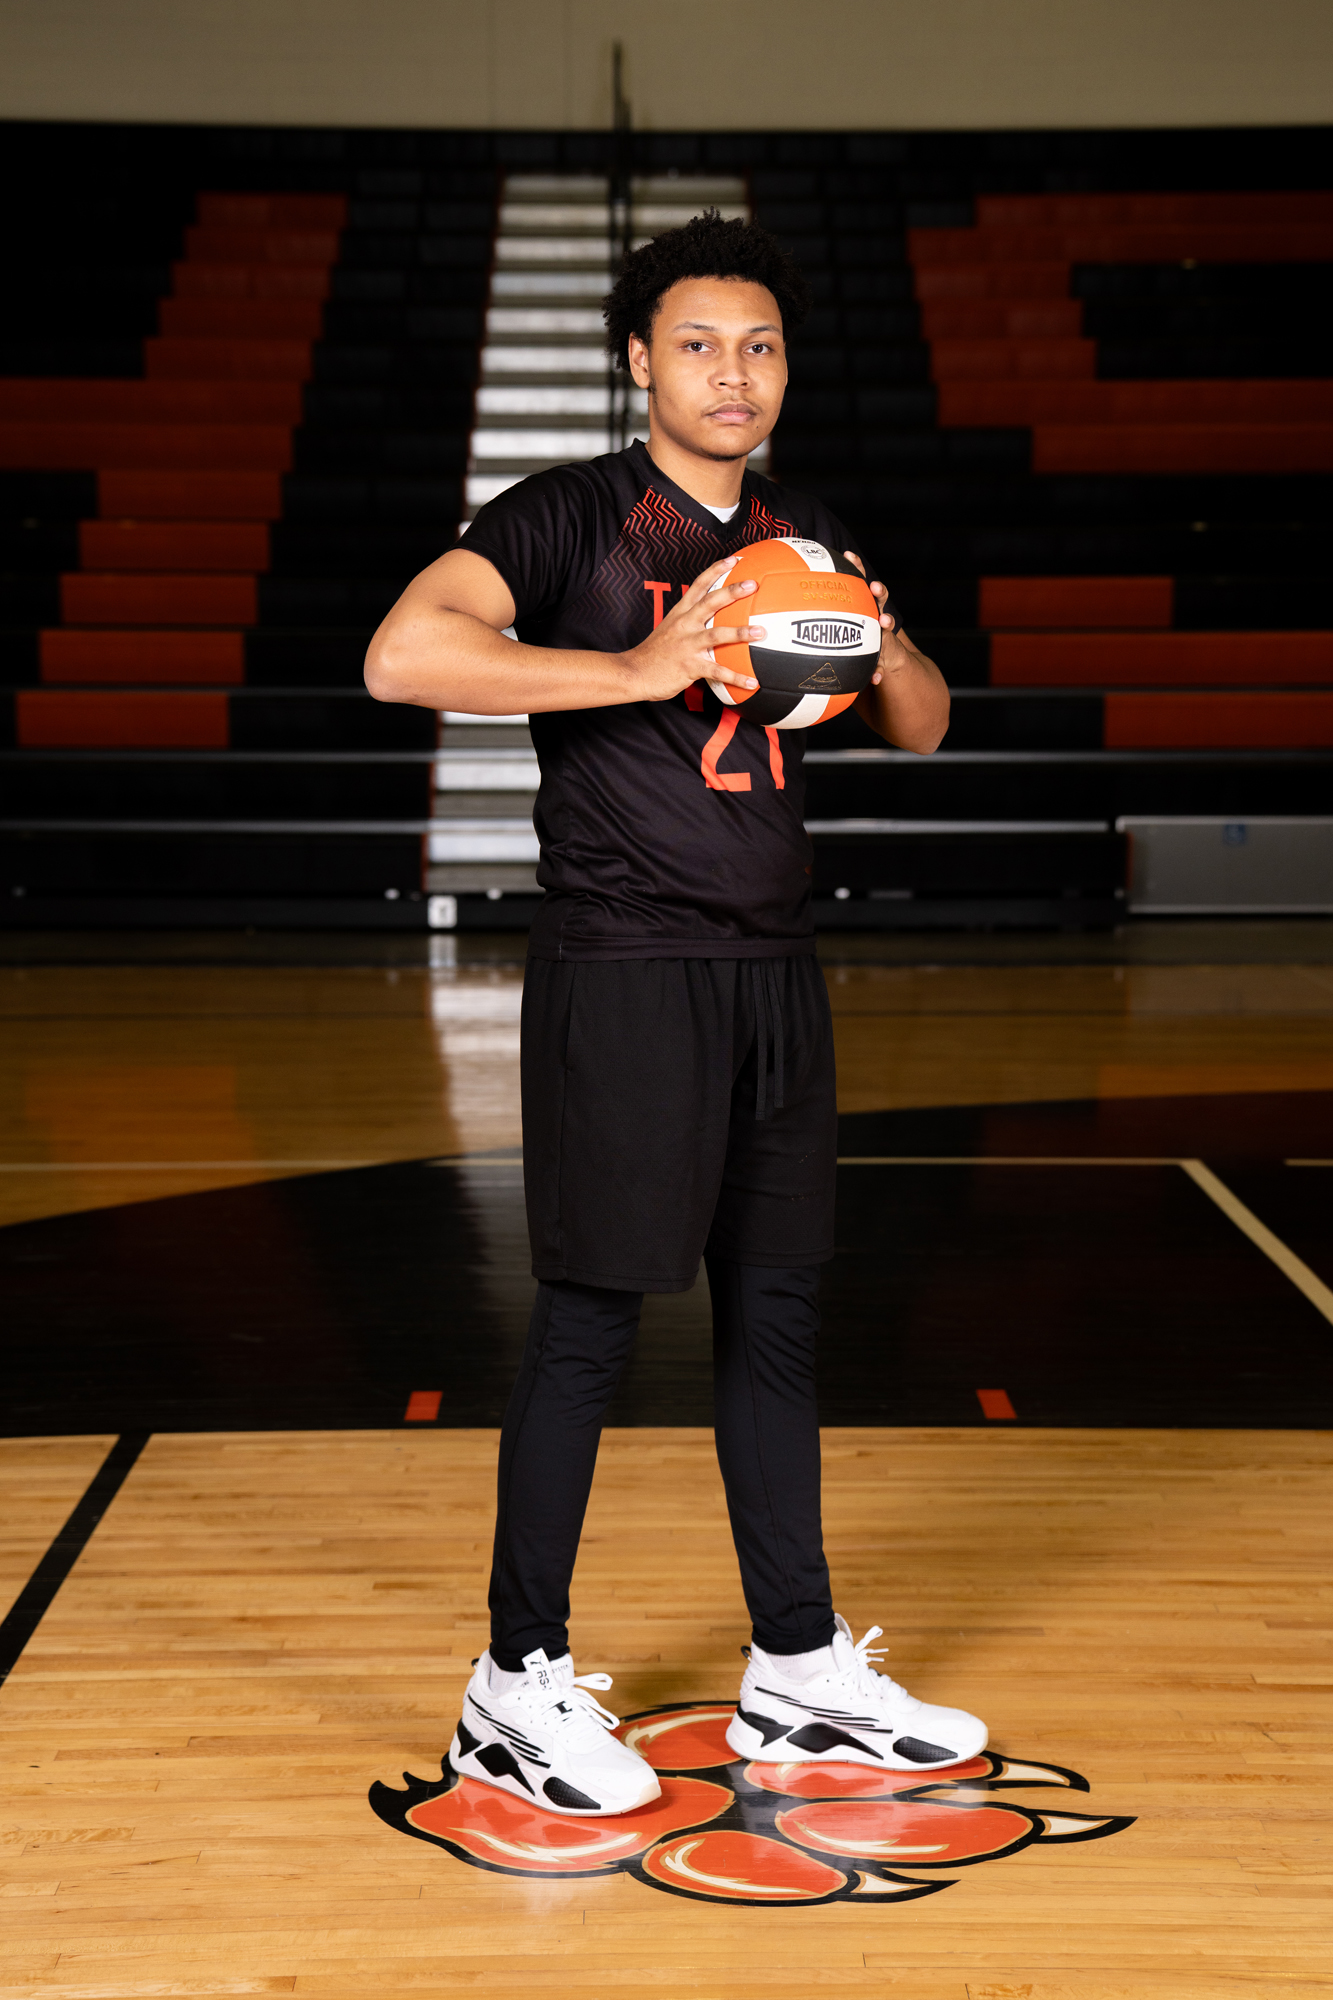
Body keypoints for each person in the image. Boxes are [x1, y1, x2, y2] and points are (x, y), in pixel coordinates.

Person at [366, 210, 986, 1819]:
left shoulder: (801, 530)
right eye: (699, 344)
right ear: (638, 361)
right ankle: (512, 1685)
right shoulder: (568, 514)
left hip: (774, 970)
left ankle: (798, 1670)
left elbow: (923, 724)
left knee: (775, 1316)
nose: (732, 372)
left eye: (759, 345)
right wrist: (640, 668)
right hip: (625, 969)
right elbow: (403, 656)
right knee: (588, 1322)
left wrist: (873, 633)